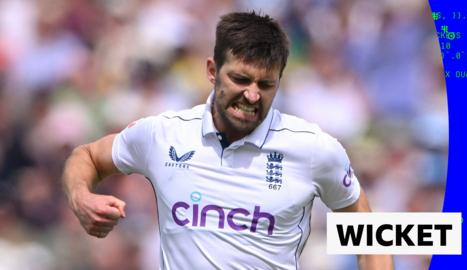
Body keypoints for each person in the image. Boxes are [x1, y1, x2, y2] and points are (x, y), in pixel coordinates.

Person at [63, 11, 394, 270]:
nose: (252, 95)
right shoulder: (164, 135)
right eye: (240, 79)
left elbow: (368, 233)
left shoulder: (313, 148)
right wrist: (80, 196)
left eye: (266, 85)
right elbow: (87, 156)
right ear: (212, 70)